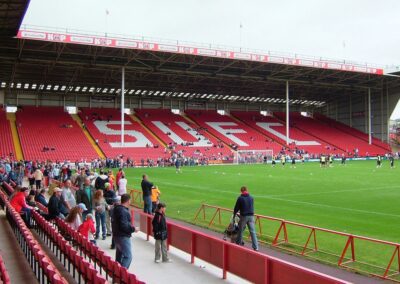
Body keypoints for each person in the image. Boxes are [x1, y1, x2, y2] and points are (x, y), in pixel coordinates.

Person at [112, 194, 137, 269]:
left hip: (117, 235)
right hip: (122, 236)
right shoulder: (123, 211)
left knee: (119, 257)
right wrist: (133, 229)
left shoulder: (117, 209)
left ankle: (117, 275)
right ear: (128, 201)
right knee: (128, 256)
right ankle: (121, 276)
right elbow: (123, 226)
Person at [233, 186, 259, 251]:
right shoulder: (251, 198)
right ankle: (256, 246)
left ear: (241, 191)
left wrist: (234, 214)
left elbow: (236, 207)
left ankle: (238, 243)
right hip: (251, 216)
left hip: (244, 216)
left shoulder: (240, 198)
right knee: (252, 232)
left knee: (240, 230)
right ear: (247, 190)